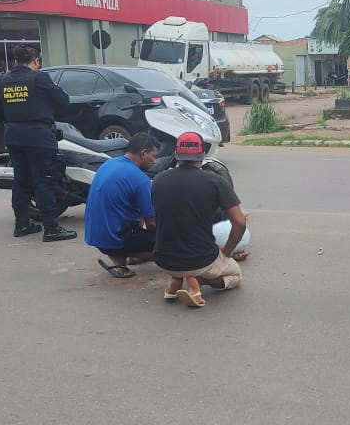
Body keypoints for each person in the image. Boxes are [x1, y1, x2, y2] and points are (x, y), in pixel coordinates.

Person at [0, 45, 77, 242]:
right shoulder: (39, 78)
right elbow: (63, 100)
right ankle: (51, 228)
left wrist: (10, 121)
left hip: (13, 136)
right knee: (44, 180)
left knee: (21, 180)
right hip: (39, 137)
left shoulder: (4, 80)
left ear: (15, 60)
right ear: (35, 61)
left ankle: (22, 224)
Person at [152, 132, 248, 308]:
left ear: (177, 154)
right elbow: (240, 223)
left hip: (163, 259)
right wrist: (227, 251)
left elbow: (157, 219)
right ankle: (198, 279)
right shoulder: (215, 181)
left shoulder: (158, 181)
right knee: (236, 276)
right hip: (200, 259)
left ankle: (176, 279)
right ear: (203, 154)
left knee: (187, 250)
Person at [85, 133, 161, 278]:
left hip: (96, 236)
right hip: (115, 238)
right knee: (171, 244)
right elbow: (151, 224)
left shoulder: (109, 164)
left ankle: (123, 259)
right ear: (143, 153)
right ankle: (128, 255)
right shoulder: (140, 179)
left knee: (134, 212)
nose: (155, 162)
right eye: (154, 156)